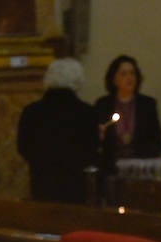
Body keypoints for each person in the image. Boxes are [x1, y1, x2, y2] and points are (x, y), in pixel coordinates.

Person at [17, 57, 101, 203]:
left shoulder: (31, 112)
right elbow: (92, 150)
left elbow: (23, 147)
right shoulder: (87, 113)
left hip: (41, 182)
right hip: (75, 185)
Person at [94, 54, 161, 171]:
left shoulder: (147, 104)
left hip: (141, 166)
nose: (129, 77)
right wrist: (99, 135)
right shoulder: (103, 104)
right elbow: (96, 141)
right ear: (114, 79)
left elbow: (156, 138)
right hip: (110, 166)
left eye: (132, 73)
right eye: (124, 74)